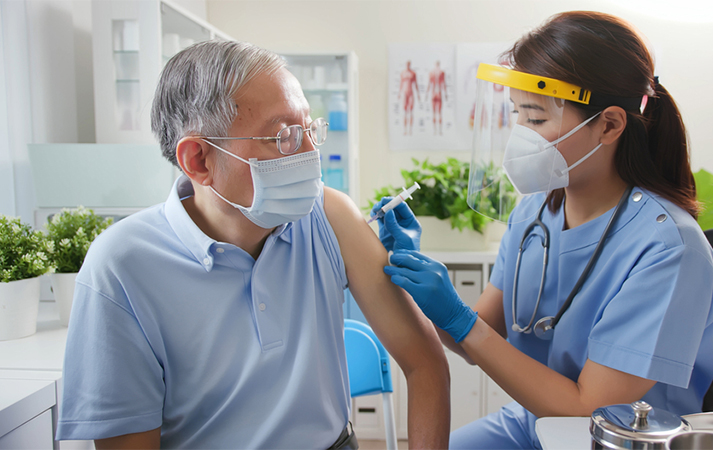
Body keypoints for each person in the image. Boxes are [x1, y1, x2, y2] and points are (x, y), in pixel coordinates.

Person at [56, 41, 450, 449]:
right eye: (282, 137)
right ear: (199, 160)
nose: (312, 154)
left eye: (309, 130)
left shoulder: (328, 216)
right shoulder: (121, 266)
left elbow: (425, 363)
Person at [373, 11, 713, 450]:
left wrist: (461, 322)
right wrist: (417, 277)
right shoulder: (534, 213)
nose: (521, 135)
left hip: (617, 438)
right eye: (518, 114)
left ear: (609, 125)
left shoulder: (668, 247)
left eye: (536, 119)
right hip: (533, 424)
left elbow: (589, 409)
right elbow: (477, 334)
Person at [398, 60, 420, 135]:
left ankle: (410, 130)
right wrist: (399, 93)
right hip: (404, 93)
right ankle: (405, 130)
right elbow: (401, 83)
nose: (407, 65)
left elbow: (415, 84)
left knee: (411, 111)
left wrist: (418, 94)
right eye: (406, 64)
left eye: (408, 64)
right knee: (405, 112)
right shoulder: (403, 73)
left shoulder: (413, 73)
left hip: (411, 93)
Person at [427, 60, 447, 135]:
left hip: (437, 93)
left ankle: (439, 130)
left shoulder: (441, 73)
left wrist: (445, 93)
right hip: (435, 93)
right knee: (435, 113)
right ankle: (435, 130)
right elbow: (429, 83)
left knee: (438, 112)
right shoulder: (433, 73)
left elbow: (443, 83)